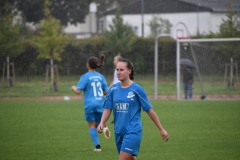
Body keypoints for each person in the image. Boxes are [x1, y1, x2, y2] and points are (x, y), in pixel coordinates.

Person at [97, 58, 169, 160]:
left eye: (121, 70)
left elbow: (149, 110)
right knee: (130, 158)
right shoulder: (112, 89)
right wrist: (101, 123)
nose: (118, 72)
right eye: (117, 70)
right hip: (118, 131)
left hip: (133, 131)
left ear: (129, 71)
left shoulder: (137, 90)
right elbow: (108, 109)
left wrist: (161, 129)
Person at [71, 54, 110, 152]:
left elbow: (78, 91)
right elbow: (106, 91)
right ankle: (103, 127)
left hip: (90, 104)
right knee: (98, 123)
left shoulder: (85, 76)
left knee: (91, 125)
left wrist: (73, 87)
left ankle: (98, 147)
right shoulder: (101, 77)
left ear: (88, 65)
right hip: (101, 103)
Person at [109, 54, 123, 124]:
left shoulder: (120, 70)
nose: (113, 61)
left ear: (118, 61)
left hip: (118, 89)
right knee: (115, 104)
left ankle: (119, 118)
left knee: (118, 104)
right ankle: (117, 118)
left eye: (115, 60)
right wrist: (109, 87)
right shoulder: (116, 69)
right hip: (115, 89)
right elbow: (114, 80)